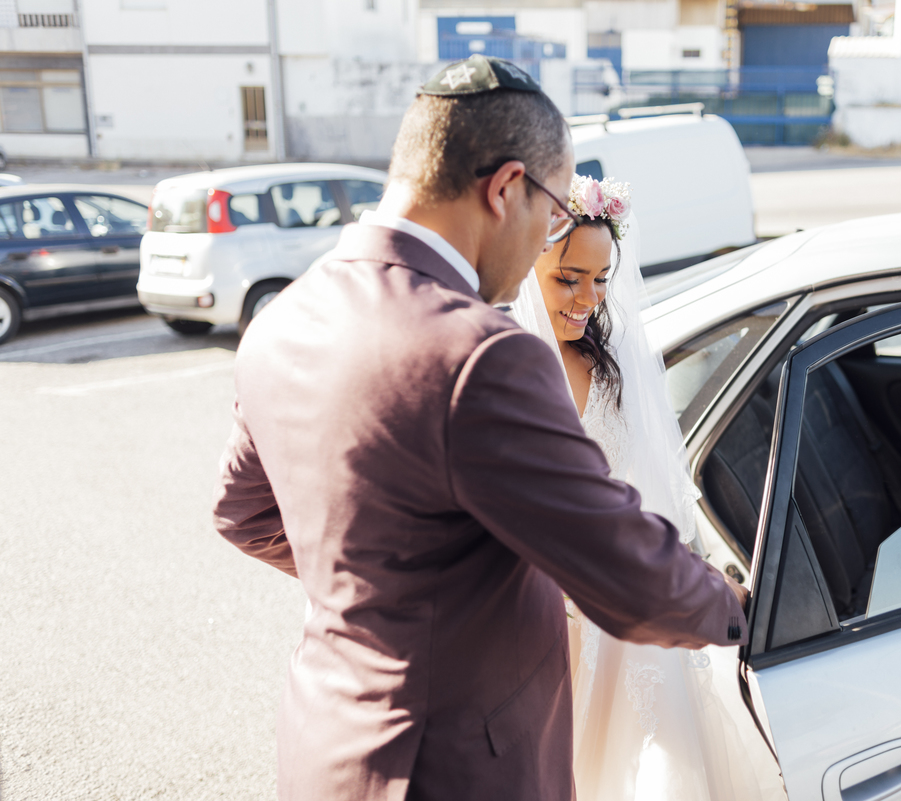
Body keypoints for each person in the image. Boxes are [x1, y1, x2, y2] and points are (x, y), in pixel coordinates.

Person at [210, 54, 748, 801]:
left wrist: (382, 582)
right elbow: (626, 575)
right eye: (552, 213)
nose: (548, 236)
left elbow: (243, 514)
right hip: (459, 766)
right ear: (504, 189)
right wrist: (738, 607)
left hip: (323, 750)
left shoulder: (281, 322)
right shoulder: (483, 354)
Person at [512, 178, 784, 801]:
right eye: (569, 279)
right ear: (528, 267)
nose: (589, 298)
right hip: (539, 623)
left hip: (619, 610)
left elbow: (641, 496)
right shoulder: (501, 373)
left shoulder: (609, 368)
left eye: (601, 279)